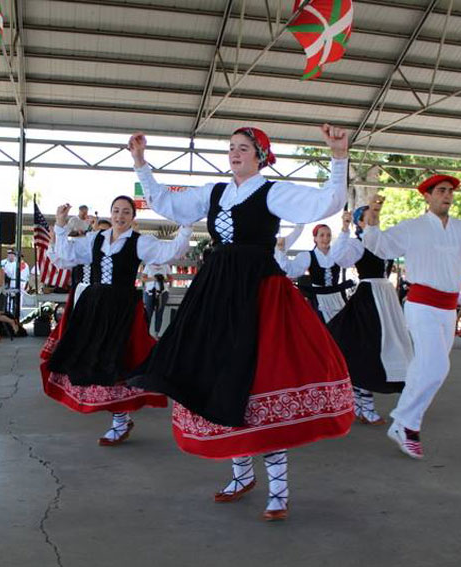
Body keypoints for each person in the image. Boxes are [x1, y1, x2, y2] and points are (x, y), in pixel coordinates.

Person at [129, 124, 353, 522]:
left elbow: (326, 203)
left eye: (244, 148)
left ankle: (279, 492)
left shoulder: (272, 192)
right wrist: (141, 164)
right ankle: (242, 475)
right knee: (221, 380)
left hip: (259, 295)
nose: (235, 153)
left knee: (261, 383)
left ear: (260, 155)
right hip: (216, 294)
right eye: (232, 148)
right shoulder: (215, 192)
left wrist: (338, 158)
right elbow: (166, 203)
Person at [362, 174, 461, 459]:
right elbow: (380, 246)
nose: (447, 195)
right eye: (441, 190)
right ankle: (407, 424)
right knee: (437, 366)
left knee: (422, 366)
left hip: (448, 308)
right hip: (422, 303)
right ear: (427, 196)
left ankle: (403, 419)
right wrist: (373, 221)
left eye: (450, 191)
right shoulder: (413, 228)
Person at [42, 197, 191, 446]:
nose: (120, 216)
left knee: (121, 361)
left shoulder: (140, 241)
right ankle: (120, 419)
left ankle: (120, 421)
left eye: (125, 212)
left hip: (123, 308)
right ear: (110, 214)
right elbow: (67, 258)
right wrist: (60, 226)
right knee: (92, 360)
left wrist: (185, 227)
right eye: (116, 211)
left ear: (133, 216)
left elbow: (171, 251)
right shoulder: (95, 239)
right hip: (96, 306)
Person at [328, 205, 412, 425]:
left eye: (376, 215)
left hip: (387, 297)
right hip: (369, 297)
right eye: (370, 217)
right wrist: (344, 230)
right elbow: (339, 258)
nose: (375, 218)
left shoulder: (385, 241)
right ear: (360, 222)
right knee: (370, 347)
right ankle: (365, 405)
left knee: (390, 346)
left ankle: (360, 402)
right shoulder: (358, 243)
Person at [279, 223, 347, 323]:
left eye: (328, 235)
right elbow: (291, 270)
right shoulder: (308, 256)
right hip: (318, 300)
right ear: (315, 238)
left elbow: (344, 248)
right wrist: (281, 251)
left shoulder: (336, 254)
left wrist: (345, 229)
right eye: (322, 235)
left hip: (337, 299)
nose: (326, 238)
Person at [142, 262, 171, 337]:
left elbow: (170, 278)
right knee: (148, 313)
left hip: (162, 292)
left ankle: (156, 334)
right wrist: (154, 278)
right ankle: (146, 334)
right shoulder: (148, 265)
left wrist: (163, 279)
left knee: (159, 313)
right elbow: (143, 278)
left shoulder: (166, 265)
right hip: (150, 292)